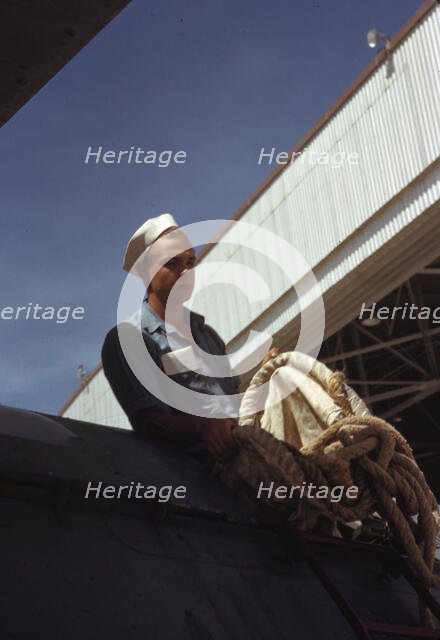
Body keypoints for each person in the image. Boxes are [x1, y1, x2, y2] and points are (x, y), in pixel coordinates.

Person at [102, 213, 278, 460]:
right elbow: (148, 421)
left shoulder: (208, 336)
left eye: (190, 262)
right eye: (172, 263)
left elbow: (231, 406)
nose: (185, 272)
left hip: (244, 453)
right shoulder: (129, 340)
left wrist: (265, 379)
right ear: (145, 272)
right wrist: (202, 428)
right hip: (192, 474)